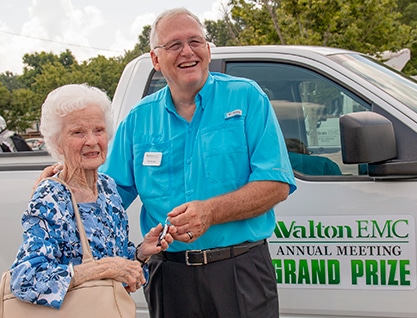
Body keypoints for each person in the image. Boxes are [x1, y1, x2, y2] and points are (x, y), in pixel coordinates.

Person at [99, 8, 297, 318]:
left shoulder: (246, 98)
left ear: (207, 49)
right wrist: (67, 182)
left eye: (195, 41)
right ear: (155, 59)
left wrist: (210, 212)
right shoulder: (138, 120)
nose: (187, 51)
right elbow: (108, 196)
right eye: (174, 45)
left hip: (241, 271)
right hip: (169, 277)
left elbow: (276, 184)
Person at [9, 84, 174, 310]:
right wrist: (101, 269)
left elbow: (117, 266)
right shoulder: (51, 197)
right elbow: (25, 279)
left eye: (99, 130)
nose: (92, 141)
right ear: (57, 142)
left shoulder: (107, 188)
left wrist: (141, 253)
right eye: (78, 132)